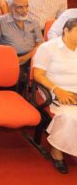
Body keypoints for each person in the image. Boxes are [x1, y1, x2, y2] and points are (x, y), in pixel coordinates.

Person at [32, 18, 77, 174]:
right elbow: (38, 74)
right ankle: (57, 152)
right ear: (66, 30)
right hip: (54, 92)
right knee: (70, 118)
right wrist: (57, 89)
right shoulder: (48, 48)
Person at [0, 0, 43, 94]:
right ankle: (10, 99)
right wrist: (10, 58)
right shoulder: (0, 22)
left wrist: (27, 57)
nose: (24, 10)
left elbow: (40, 42)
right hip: (8, 58)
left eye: (26, 6)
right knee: (18, 77)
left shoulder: (34, 21)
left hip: (31, 57)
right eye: (20, 7)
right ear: (11, 8)